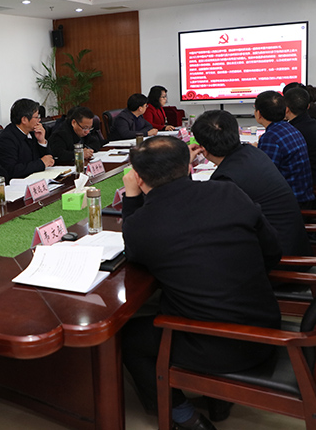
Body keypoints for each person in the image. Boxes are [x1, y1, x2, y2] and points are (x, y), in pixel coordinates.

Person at [120, 137, 281, 430]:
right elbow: (272, 251)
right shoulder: (228, 191)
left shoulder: (142, 223)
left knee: (128, 336)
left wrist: (131, 197)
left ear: (139, 178)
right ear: (189, 166)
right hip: (266, 324)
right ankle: (215, 400)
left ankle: (186, 418)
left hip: (219, 346)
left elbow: (134, 255)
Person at [191, 110, 312, 257]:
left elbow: (202, 218)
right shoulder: (251, 152)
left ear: (202, 149)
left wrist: (184, 166)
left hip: (280, 257)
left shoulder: (226, 179)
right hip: (292, 243)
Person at [254, 91, 315, 207]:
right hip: (302, 197)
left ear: (259, 113)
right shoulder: (290, 128)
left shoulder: (270, 138)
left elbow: (263, 177)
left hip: (289, 204)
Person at [284, 87, 316, 187]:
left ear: (286, 109)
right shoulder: (314, 124)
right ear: (308, 106)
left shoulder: (294, 132)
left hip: (313, 185)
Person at [0, 98, 55, 179]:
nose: (39, 120)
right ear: (24, 120)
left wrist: (41, 141)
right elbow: (12, 170)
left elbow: (48, 159)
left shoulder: (33, 133)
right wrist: (41, 163)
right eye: (36, 117)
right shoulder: (7, 140)